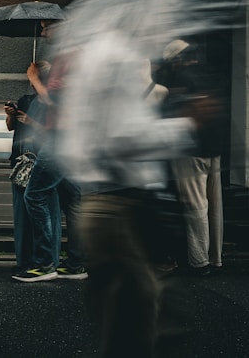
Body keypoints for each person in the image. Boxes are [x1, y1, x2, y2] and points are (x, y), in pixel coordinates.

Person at [56, 30, 209, 357]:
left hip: (102, 203)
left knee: (128, 313)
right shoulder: (119, 59)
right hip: (118, 205)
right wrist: (185, 125)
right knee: (139, 317)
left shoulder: (94, 65)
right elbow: (124, 138)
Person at [12, 21, 86, 282]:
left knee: (35, 196)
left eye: (47, 27)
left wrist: (33, 78)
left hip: (60, 139)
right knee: (73, 201)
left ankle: (45, 264)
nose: (43, 33)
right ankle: (76, 263)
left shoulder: (68, 58)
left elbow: (54, 100)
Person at [161, 39, 228, 276]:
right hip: (215, 149)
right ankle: (215, 258)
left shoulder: (181, 79)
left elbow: (178, 119)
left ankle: (199, 262)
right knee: (215, 206)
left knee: (196, 206)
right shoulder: (211, 73)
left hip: (191, 151)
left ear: (175, 60)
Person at [4, 60, 61, 271]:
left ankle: (45, 260)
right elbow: (11, 127)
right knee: (22, 215)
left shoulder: (52, 104)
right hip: (21, 162)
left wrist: (31, 122)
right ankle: (26, 260)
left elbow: (54, 132)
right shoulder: (26, 100)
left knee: (44, 212)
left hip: (43, 162)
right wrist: (12, 115)